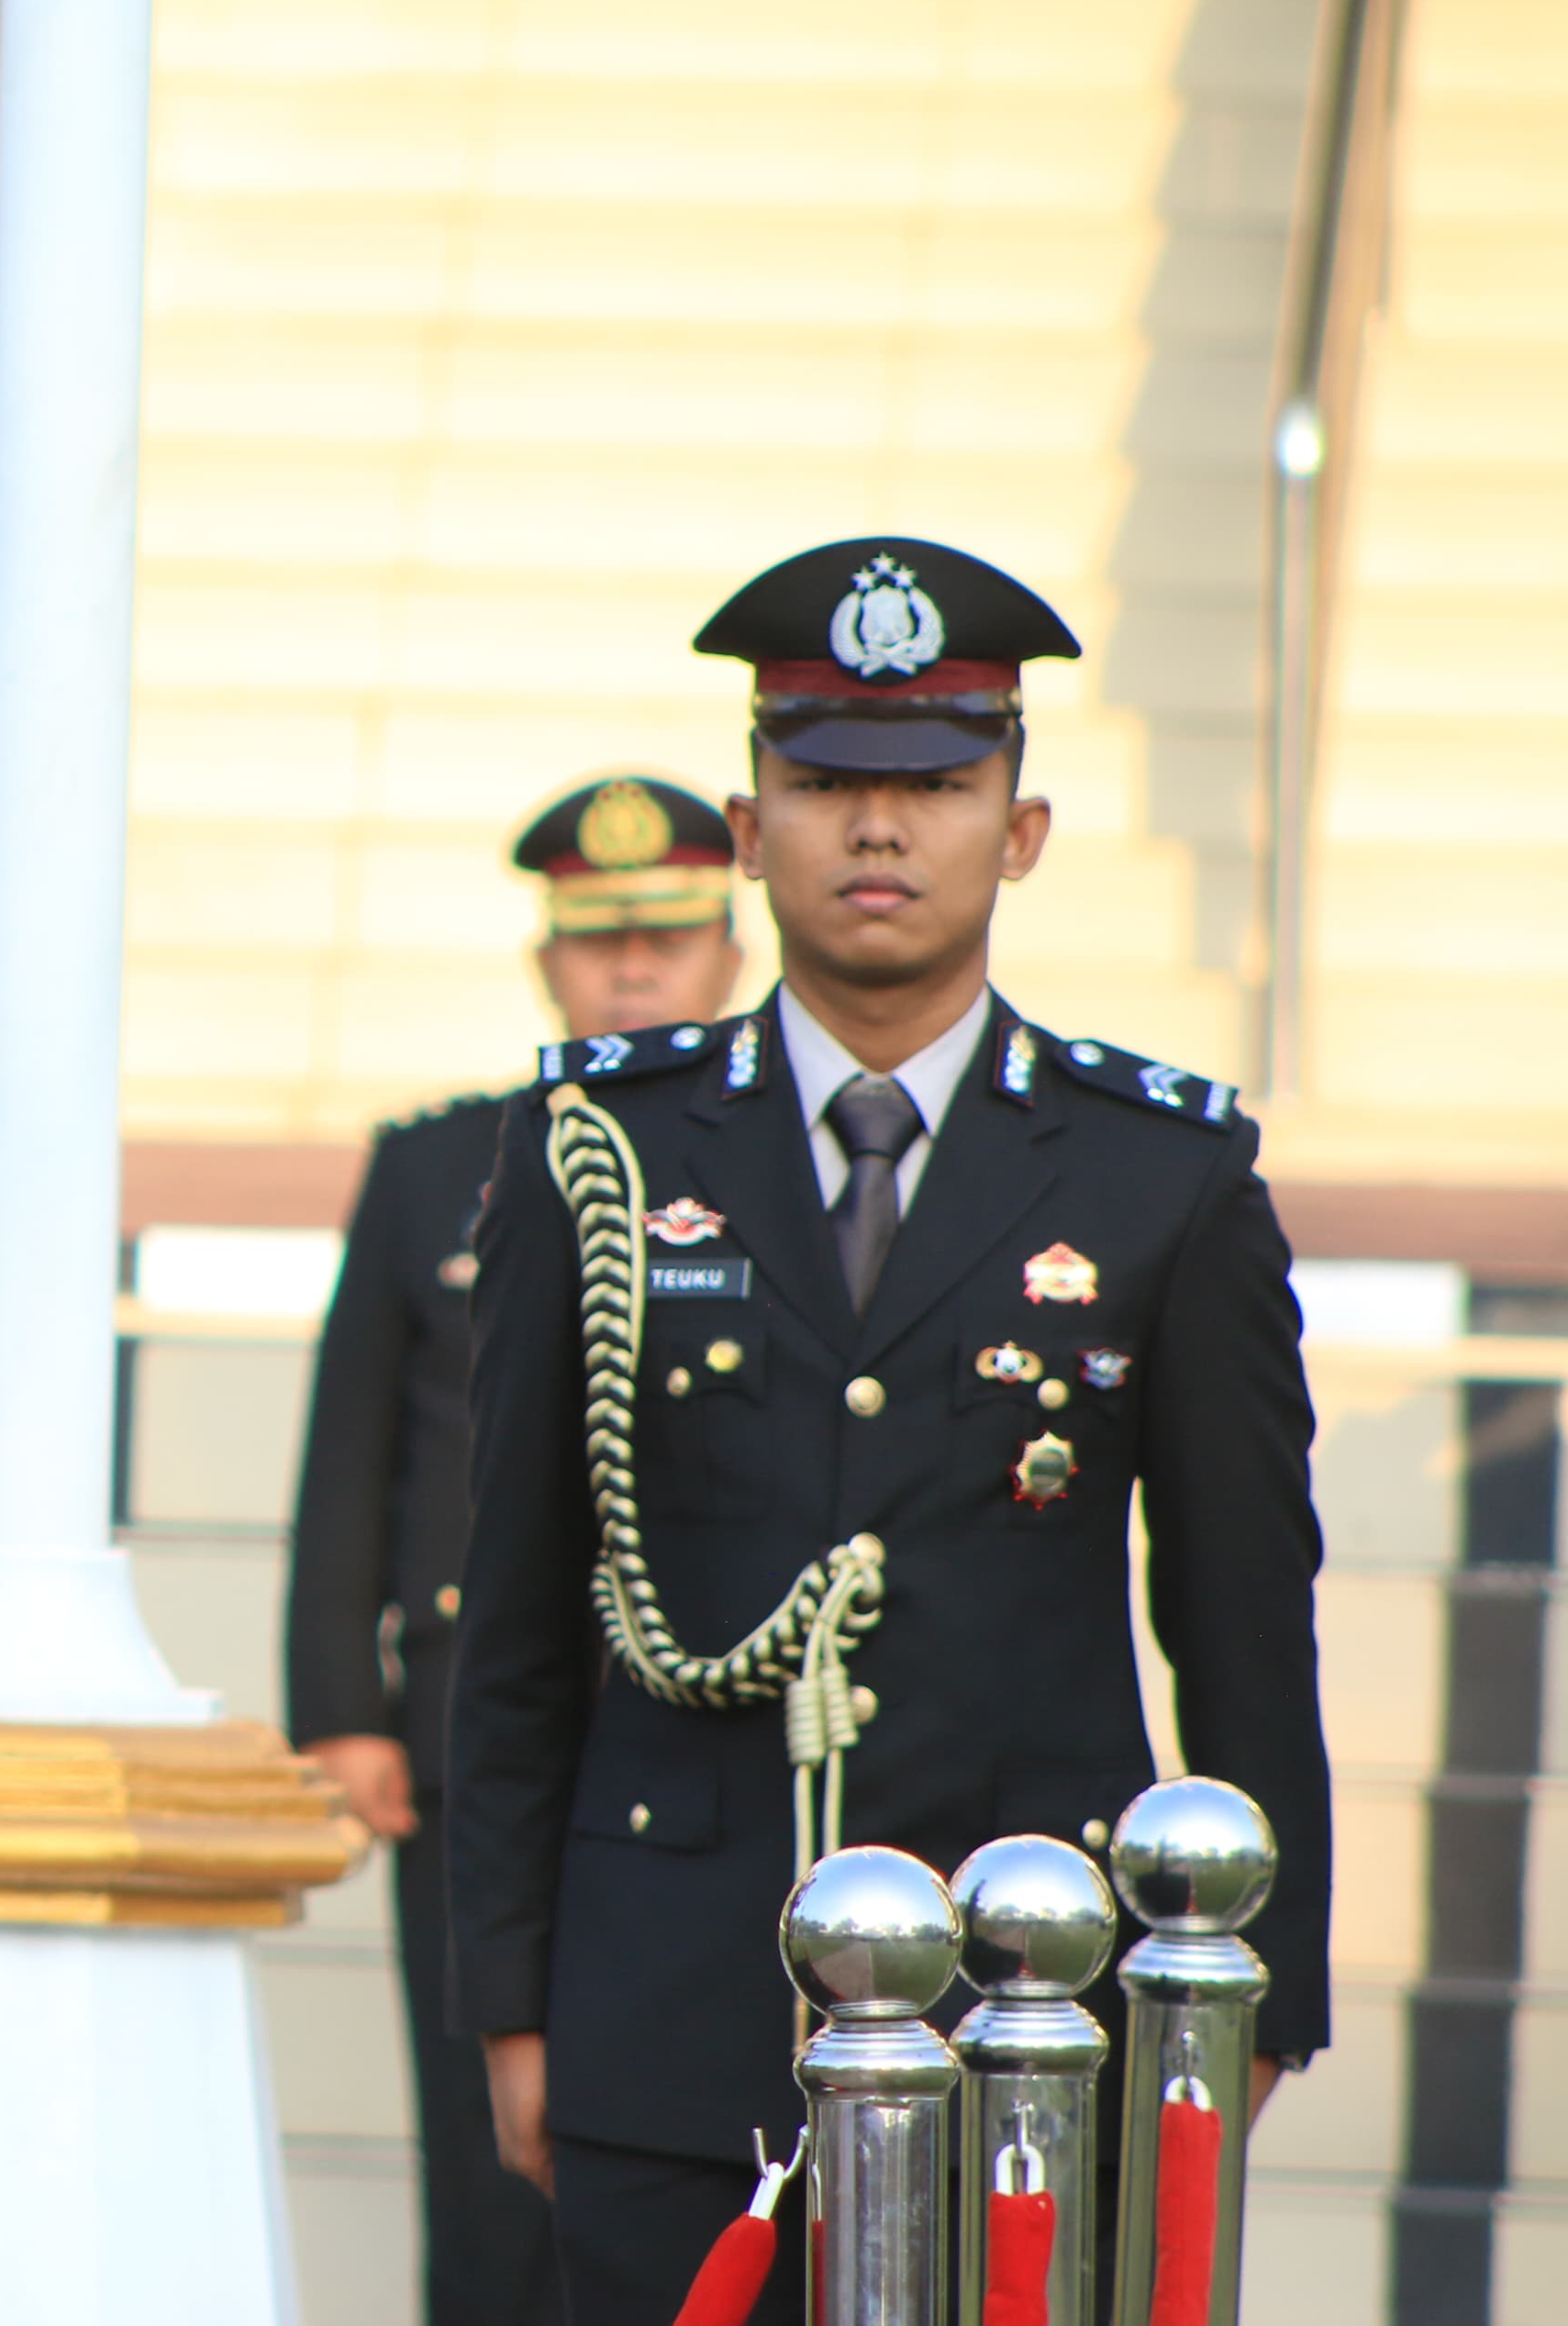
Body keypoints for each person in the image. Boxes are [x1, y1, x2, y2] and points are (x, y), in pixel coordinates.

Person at [442, 539, 1332, 2324]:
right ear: (746, 815)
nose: (874, 830)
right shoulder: (596, 1157)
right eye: (825, 782)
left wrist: (1248, 1998)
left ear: (1018, 828)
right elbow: (520, 1616)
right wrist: (512, 2001)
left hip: (1033, 1990)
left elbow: (1241, 1622)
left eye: (932, 784)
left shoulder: (1160, 1172)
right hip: (669, 1995)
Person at [284, 773, 742, 2326]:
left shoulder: (771, 1165)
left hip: (699, 1711)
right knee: (482, 2136)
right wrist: (341, 1701)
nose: (630, 968)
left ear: (726, 950)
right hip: (474, 1714)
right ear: (547, 959)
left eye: (666, 937)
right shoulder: (438, 1166)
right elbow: (354, 1445)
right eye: (598, 941)